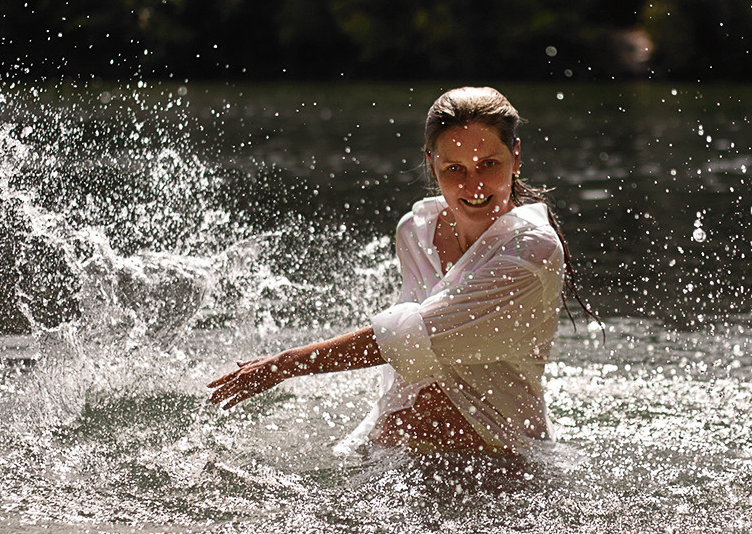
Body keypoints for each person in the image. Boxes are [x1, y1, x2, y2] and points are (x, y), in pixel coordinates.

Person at [208, 87, 567, 457]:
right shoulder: (416, 230)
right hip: (393, 453)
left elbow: (411, 335)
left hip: (497, 465)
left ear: (516, 156)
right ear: (432, 165)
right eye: (454, 169)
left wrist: (285, 364)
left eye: (489, 164)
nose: (473, 185)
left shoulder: (533, 252)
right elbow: (411, 366)